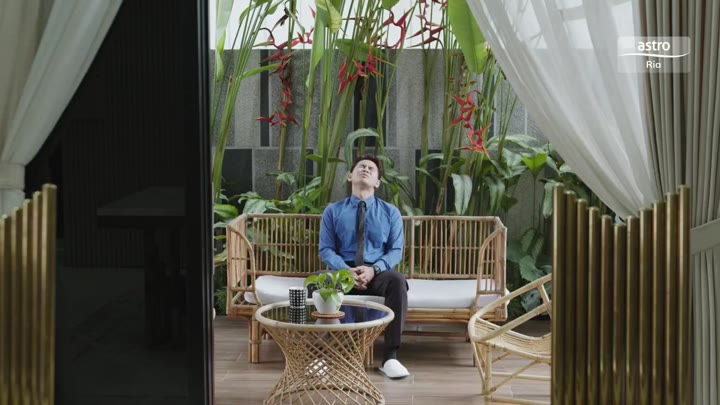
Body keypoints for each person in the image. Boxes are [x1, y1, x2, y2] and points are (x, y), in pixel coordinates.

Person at [318, 154, 410, 379]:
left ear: (377, 182)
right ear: (350, 176)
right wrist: (345, 270)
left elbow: (396, 250)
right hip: (343, 273)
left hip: (377, 273)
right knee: (319, 280)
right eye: (361, 166)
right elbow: (326, 249)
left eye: (371, 168)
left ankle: (390, 357)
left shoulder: (390, 212)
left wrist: (373, 270)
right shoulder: (333, 211)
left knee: (397, 281)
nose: (366, 169)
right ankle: (322, 355)